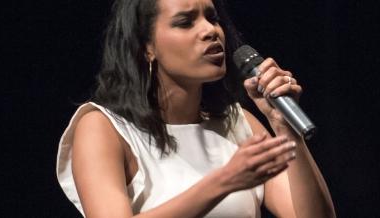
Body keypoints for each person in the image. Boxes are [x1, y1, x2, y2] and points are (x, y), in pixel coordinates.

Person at [56, 0, 336, 217]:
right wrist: (224, 181)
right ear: (146, 47)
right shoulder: (103, 127)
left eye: (212, 18)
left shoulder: (238, 124)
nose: (210, 31)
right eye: (185, 22)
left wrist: (284, 128)